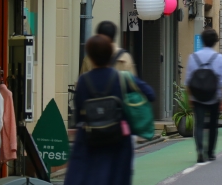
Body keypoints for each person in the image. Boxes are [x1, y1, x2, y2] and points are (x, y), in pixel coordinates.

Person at [64, 35, 155, 185]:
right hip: (118, 142)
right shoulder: (122, 78)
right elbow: (150, 94)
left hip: (90, 142)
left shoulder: (84, 81)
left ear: (90, 57)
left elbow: (79, 115)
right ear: (110, 55)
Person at [185, 29, 222, 163]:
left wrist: (190, 97)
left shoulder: (193, 57)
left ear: (202, 41)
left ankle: (199, 151)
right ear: (215, 42)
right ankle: (210, 153)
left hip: (198, 96)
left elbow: (188, 80)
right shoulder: (219, 58)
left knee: (198, 124)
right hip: (214, 96)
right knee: (212, 125)